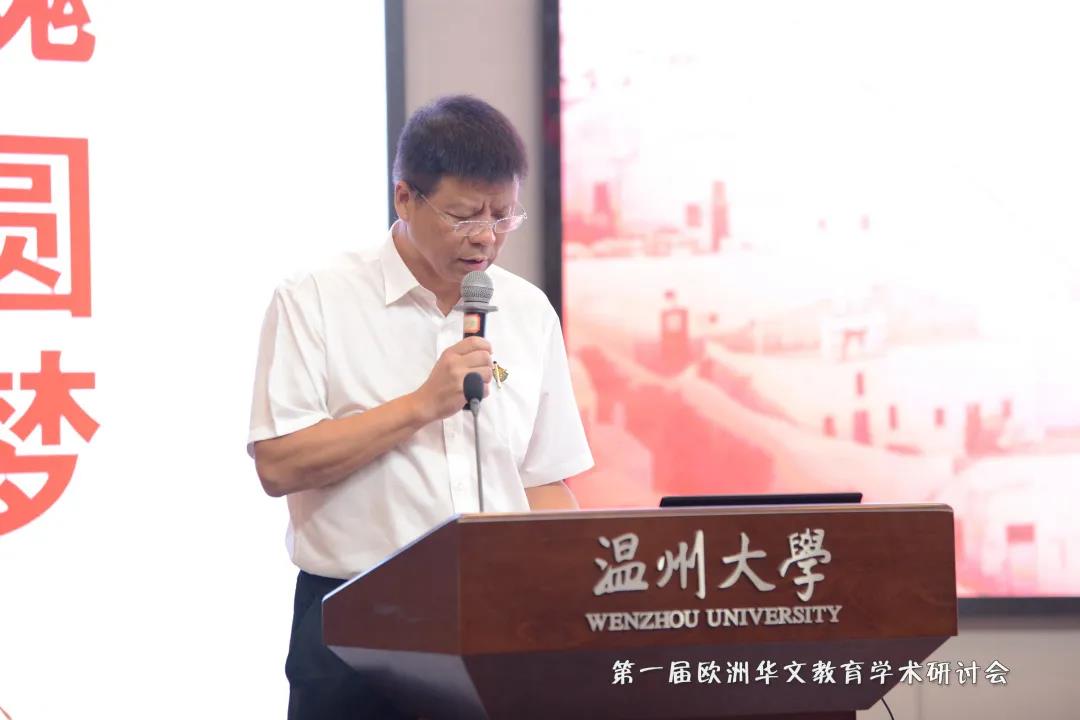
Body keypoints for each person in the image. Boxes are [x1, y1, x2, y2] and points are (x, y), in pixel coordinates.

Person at [246, 95, 594, 720]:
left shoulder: (527, 310)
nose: (485, 237)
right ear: (405, 198)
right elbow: (278, 463)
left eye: (502, 215)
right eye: (463, 215)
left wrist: (569, 590)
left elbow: (542, 480)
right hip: (354, 627)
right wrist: (421, 405)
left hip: (498, 621)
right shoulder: (316, 298)